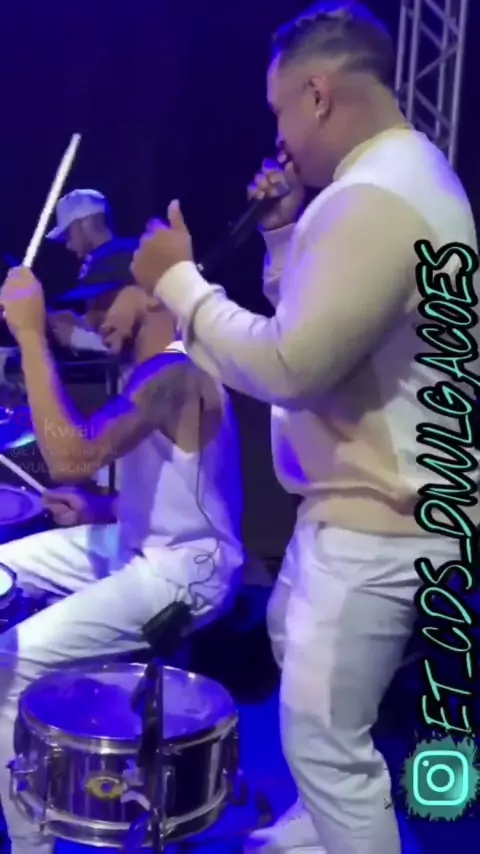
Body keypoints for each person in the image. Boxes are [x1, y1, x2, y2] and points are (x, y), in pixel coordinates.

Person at [130, 2, 479, 853]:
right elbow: (327, 328)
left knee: (327, 747)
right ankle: (312, 833)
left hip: (378, 524)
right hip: (374, 513)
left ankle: (334, 830)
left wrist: (179, 284)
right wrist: (286, 230)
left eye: (280, 109)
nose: (279, 134)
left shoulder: (373, 199)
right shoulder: (402, 178)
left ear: (317, 94)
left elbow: (288, 365)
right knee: (297, 651)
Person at [0, 268, 244, 854]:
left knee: (9, 662)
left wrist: (30, 336)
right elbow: (183, 491)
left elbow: (70, 457)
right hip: (138, 543)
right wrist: (100, 507)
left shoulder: (174, 370)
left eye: (109, 300)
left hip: (186, 573)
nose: (96, 316)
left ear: (155, 296)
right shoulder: (157, 371)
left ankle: (30, 844)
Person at [46, 188, 138, 352]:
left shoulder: (109, 258)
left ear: (85, 224)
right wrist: (77, 321)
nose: (68, 245)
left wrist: (74, 335)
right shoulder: (133, 250)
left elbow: (103, 322)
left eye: (68, 234)